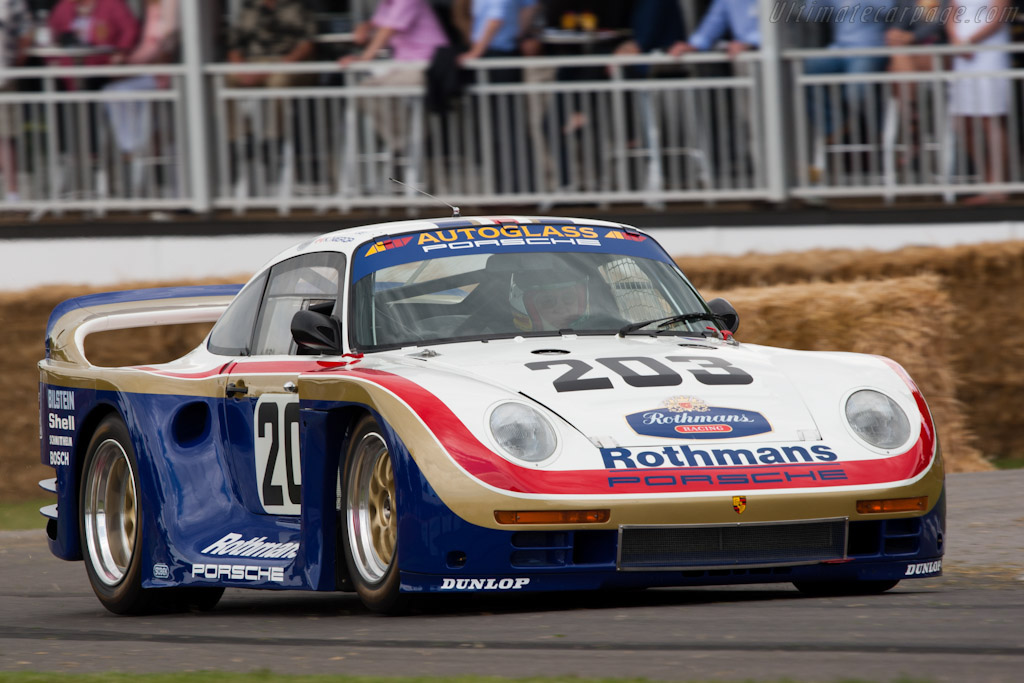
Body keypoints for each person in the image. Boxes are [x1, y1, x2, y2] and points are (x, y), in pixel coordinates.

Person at [338, 0, 448, 152]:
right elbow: (378, 24)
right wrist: (364, 27)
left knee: (370, 90)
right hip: (404, 66)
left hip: (427, 65)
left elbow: (387, 30)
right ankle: (404, 140)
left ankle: (412, 137)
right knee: (362, 92)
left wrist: (365, 58)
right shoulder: (387, 3)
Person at [947, 0, 1011, 204]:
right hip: (962, 56)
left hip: (989, 54)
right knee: (961, 122)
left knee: (990, 119)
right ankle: (988, 179)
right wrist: (955, 39)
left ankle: (998, 185)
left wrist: (970, 41)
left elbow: (998, 17)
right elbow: (951, 11)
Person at [47, 0, 139, 88]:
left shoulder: (111, 3)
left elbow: (130, 29)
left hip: (102, 65)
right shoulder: (65, 5)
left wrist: (120, 52)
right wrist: (53, 59)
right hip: (69, 69)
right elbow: (50, 32)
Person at [0, 0, 30, 202]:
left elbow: (26, 34)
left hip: (4, 76)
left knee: (5, 136)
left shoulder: (12, 3)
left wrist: (14, 64)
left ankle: (12, 194)